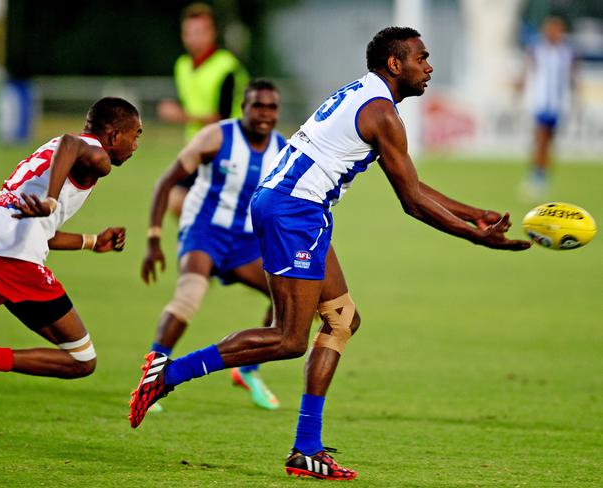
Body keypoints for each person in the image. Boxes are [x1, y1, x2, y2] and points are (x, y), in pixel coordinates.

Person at [129, 27, 530, 480]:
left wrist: (475, 214)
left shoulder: (368, 96)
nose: (430, 66)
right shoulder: (380, 112)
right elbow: (412, 204)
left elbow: (413, 185)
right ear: (395, 64)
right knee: (288, 339)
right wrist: (476, 237)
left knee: (342, 320)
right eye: (423, 57)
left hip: (293, 206)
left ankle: (306, 449)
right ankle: (168, 374)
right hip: (294, 210)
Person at [0, 97, 142, 412]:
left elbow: (41, 229)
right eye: (135, 134)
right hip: (10, 255)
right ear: (113, 136)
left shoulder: (54, 151)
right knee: (81, 360)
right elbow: (71, 143)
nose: (136, 145)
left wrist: (93, 241)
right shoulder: (97, 157)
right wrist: (52, 201)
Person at [141, 79, 286, 411]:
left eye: (272, 107)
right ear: (243, 108)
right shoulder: (217, 136)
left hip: (245, 242)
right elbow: (166, 182)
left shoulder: (282, 150)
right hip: (204, 232)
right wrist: (153, 239)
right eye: (257, 106)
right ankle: (152, 376)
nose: (265, 113)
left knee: (289, 298)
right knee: (189, 296)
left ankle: (248, 371)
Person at [157, 2, 249, 218]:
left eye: (199, 31)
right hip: (198, 150)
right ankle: (202, 246)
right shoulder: (182, 65)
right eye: (188, 32)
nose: (193, 37)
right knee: (177, 201)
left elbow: (222, 117)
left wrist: (179, 115)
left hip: (227, 150)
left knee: (227, 215)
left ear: (212, 33)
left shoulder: (227, 67)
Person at [519, 16, 578, 200]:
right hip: (541, 102)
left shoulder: (567, 52)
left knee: (549, 142)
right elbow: (527, 70)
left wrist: (576, 95)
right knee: (541, 139)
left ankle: (541, 176)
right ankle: (536, 177)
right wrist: (520, 85)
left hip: (558, 103)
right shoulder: (538, 49)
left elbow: (573, 75)